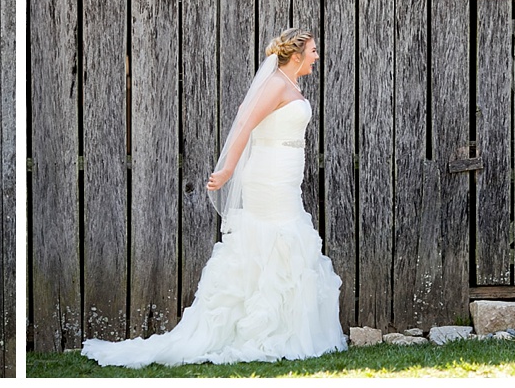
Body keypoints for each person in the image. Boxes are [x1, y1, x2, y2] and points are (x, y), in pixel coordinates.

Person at [83, 30, 346, 366]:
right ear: (296, 55)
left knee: (287, 240)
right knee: (269, 241)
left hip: (286, 176)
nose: (316, 55)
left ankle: (284, 328)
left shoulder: (291, 83)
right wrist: (227, 170)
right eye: (312, 50)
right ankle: (255, 328)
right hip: (267, 177)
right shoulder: (277, 84)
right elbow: (244, 123)